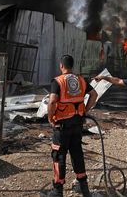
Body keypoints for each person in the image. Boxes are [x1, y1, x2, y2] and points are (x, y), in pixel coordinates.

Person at [42, 54, 98, 197]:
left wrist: (50, 117)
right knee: (77, 154)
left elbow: (53, 101)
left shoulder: (58, 81)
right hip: (77, 124)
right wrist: (84, 110)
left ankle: (57, 191)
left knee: (59, 156)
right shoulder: (81, 80)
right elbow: (94, 94)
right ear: (72, 66)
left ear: (61, 66)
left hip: (62, 126)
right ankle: (84, 189)